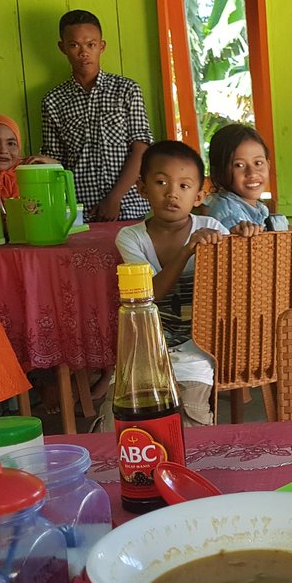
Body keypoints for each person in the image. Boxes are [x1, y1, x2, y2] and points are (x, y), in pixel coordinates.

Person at [111, 141, 239, 426]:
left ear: (199, 195)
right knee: (118, 423)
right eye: (161, 182)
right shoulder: (131, 237)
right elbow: (150, 294)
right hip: (144, 352)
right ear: (142, 188)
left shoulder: (212, 230)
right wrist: (187, 251)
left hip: (197, 351)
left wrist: (244, 235)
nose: (172, 193)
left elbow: (237, 285)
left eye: (184, 186)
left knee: (189, 423)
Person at [41, 9, 153, 222]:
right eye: (74, 45)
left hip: (128, 206)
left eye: (91, 44)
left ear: (102, 46)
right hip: (79, 209)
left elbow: (141, 149)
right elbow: (56, 161)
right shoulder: (53, 100)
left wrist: (114, 198)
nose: (84, 52)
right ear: (63, 48)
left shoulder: (126, 90)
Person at [203, 123, 291, 234]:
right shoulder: (228, 213)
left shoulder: (258, 207)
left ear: (268, 165)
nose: (252, 173)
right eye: (239, 165)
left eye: (258, 163)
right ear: (218, 172)